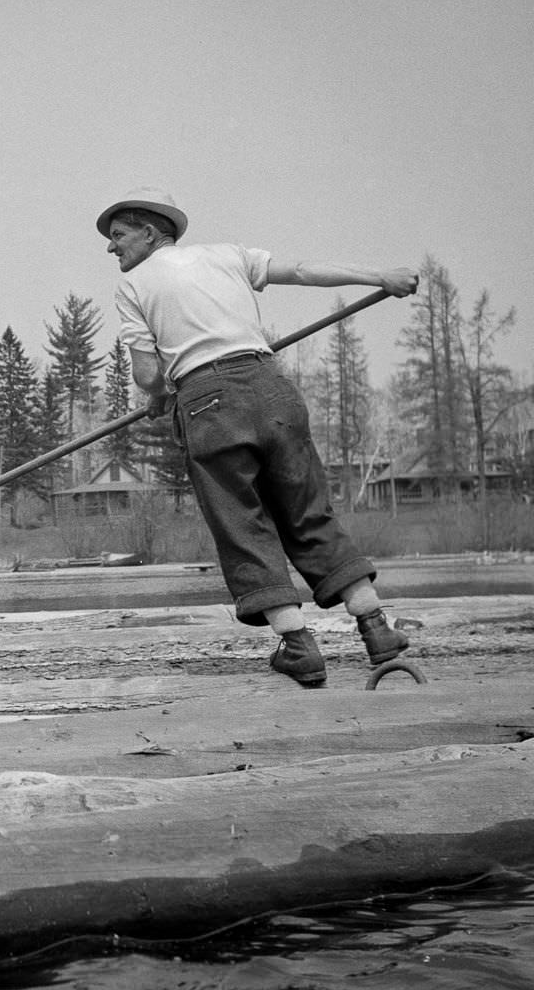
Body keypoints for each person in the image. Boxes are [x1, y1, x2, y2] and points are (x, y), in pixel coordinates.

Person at [96, 188, 419, 688]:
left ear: (151, 231)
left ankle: (299, 649)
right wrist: (381, 277)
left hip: (208, 404)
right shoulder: (228, 255)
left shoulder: (135, 285)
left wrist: (160, 390)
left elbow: (143, 373)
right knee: (309, 511)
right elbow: (306, 271)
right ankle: (377, 630)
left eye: (118, 236)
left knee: (242, 526)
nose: (112, 248)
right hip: (272, 390)